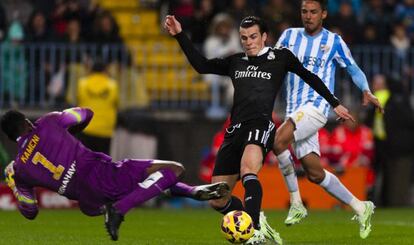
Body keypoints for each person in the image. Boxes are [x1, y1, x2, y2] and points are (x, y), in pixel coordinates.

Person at [164, 14, 353, 244]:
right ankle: (258, 220)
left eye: (253, 36)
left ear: (264, 36)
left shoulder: (280, 57)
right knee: (218, 199)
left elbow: (309, 76)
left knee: (248, 170)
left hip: (261, 124)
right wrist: (179, 35)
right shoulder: (235, 61)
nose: (248, 42)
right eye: (244, 38)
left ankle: (252, 232)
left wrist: (335, 103)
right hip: (235, 129)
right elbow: (201, 66)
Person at [1, 107, 230, 241]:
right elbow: (86, 114)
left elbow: (30, 211)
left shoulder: (19, 170)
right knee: (173, 169)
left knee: (150, 181)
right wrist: (70, 130)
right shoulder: (48, 122)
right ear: (27, 122)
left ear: (12, 138)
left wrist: (13, 184)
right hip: (101, 174)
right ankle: (119, 209)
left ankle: (193, 191)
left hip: (87, 202)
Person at [273, 0, 383, 239]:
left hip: (317, 108)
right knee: (314, 173)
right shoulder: (289, 36)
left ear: (323, 14)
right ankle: (360, 207)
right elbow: (273, 65)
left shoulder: (333, 41)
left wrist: (365, 89)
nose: (308, 16)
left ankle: (296, 203)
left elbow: (352, 68)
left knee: (278, 141)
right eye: (304, 11)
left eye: (313, 12)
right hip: (294, 111)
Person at [77, 59, 119, 155]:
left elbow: (75, 100)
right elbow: (117, 104)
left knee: (85, 161)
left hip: (86, 128)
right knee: (102, 163)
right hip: (105, 130)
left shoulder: (82, 83)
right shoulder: (112, 85)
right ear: (105, 71)